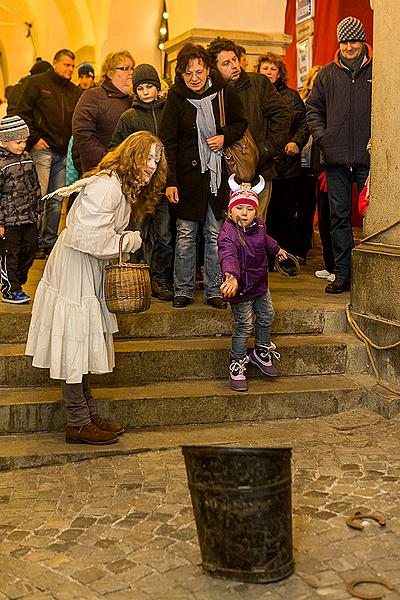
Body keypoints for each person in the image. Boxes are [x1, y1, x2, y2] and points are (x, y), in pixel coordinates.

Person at [25, 131, 167, 445]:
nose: (152, 167)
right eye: (148, 158)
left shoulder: (118, 187)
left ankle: (86, 414)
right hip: (75, 267)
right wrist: (130, 240)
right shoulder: (108, 188)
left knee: (82, 341)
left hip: (86, 267)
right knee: (75, 340)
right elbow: (84, 238)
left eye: (156, 162)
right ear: (132, 155)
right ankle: (77, 421)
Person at [159, 43, 247, 309]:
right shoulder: (175, 98)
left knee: (214, 234)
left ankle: (214, 290)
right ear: (181, 75)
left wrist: (224, 137)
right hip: (187, 178)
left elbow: (241, 123)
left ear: (208, 69)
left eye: (199, 71)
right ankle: (183, 289)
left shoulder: (224, 92)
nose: (194, 78)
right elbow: (168, 142)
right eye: (188, 73)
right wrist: (170, 182)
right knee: (185, 234)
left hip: (216, 176)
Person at [306, 16, 372, 294]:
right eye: (344, 41)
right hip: (335, 161)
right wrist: (324, 138)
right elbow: (312, 110)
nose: (348, 47)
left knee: (374, 218)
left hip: (370, 161)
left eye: (353, 40)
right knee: (338, 219)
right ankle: (342, 275)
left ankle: (372, 277)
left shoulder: (378, 71)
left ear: (363, 41)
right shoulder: (326, 75)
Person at [207, 37, 289, 221]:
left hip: (259, 170)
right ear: (215, 68)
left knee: (255, 228)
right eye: (226, 63)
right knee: (226, 231)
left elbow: (283, 116)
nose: (234, 66)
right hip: (224, 173)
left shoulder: (258, 83)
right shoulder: (211, 92)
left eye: (234, 60)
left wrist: (266, 149)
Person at [110, 64, 173, 301]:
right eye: (141, 88)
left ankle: (160, 278)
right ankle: (137, 277)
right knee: (137, 232)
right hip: (138, 187)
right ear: (135, 91)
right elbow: (116, 147)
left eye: (150, 86)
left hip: (164, 184)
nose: (146, 92)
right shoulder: (129, 117)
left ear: (158, 87)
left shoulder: (169, 112)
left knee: (165, 235)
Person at [218, 175, 287, 391]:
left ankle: (260, 351)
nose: (245, 213)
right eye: (240, 209)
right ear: (231, 211)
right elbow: (227, 255)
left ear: (256, 212)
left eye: (249, 209)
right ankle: (237, 363)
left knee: (267, 315)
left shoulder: (259, 227)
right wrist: (231, 275)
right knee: (244, 325)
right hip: (240, 289)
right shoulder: (227, 234)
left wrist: (277, 250)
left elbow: (266, 240)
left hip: (259, 284)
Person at [15, 50, 81, 255]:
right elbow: (23, 112)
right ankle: (31, 242)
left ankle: (49, 242)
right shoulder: (37, 83)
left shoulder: (74, 90)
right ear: (55, 63)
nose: (70, 69)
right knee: (38, 196)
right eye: (66, 64)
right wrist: (33, 139)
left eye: (72, 66)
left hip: (63, 152)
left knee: (56, 199)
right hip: (42, 149)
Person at [256, 52, 309, 274]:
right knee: (260, 214)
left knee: (284, 215)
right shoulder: (253, 93)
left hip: (287, 166)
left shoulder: (291, 97)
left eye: (273, 68)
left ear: (280, 73)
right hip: (261, 165)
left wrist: (295, 142)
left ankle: (283, 258)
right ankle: (260, 260)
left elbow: (304, 124)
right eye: (265, 68)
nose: (268, 72)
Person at [0, 115, 41, 304]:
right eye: (18, 142)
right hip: (8, 222)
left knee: (29, 251)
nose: (23, 145)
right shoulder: (1, 164)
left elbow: (35, 186)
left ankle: (18, 282)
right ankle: (11, 289)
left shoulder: (27, 158)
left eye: (25, 141)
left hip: (29, 218)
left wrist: (38, 209)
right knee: (10, 255)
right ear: (4, 141)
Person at [72, 50, 135, 174]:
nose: (131, 72)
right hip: (102, 170)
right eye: (126, 68)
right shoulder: (92, 96)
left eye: (133, 68)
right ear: (110, 73)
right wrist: (108, 160)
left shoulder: (134, 99)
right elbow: (83, 133)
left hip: (130, 172)